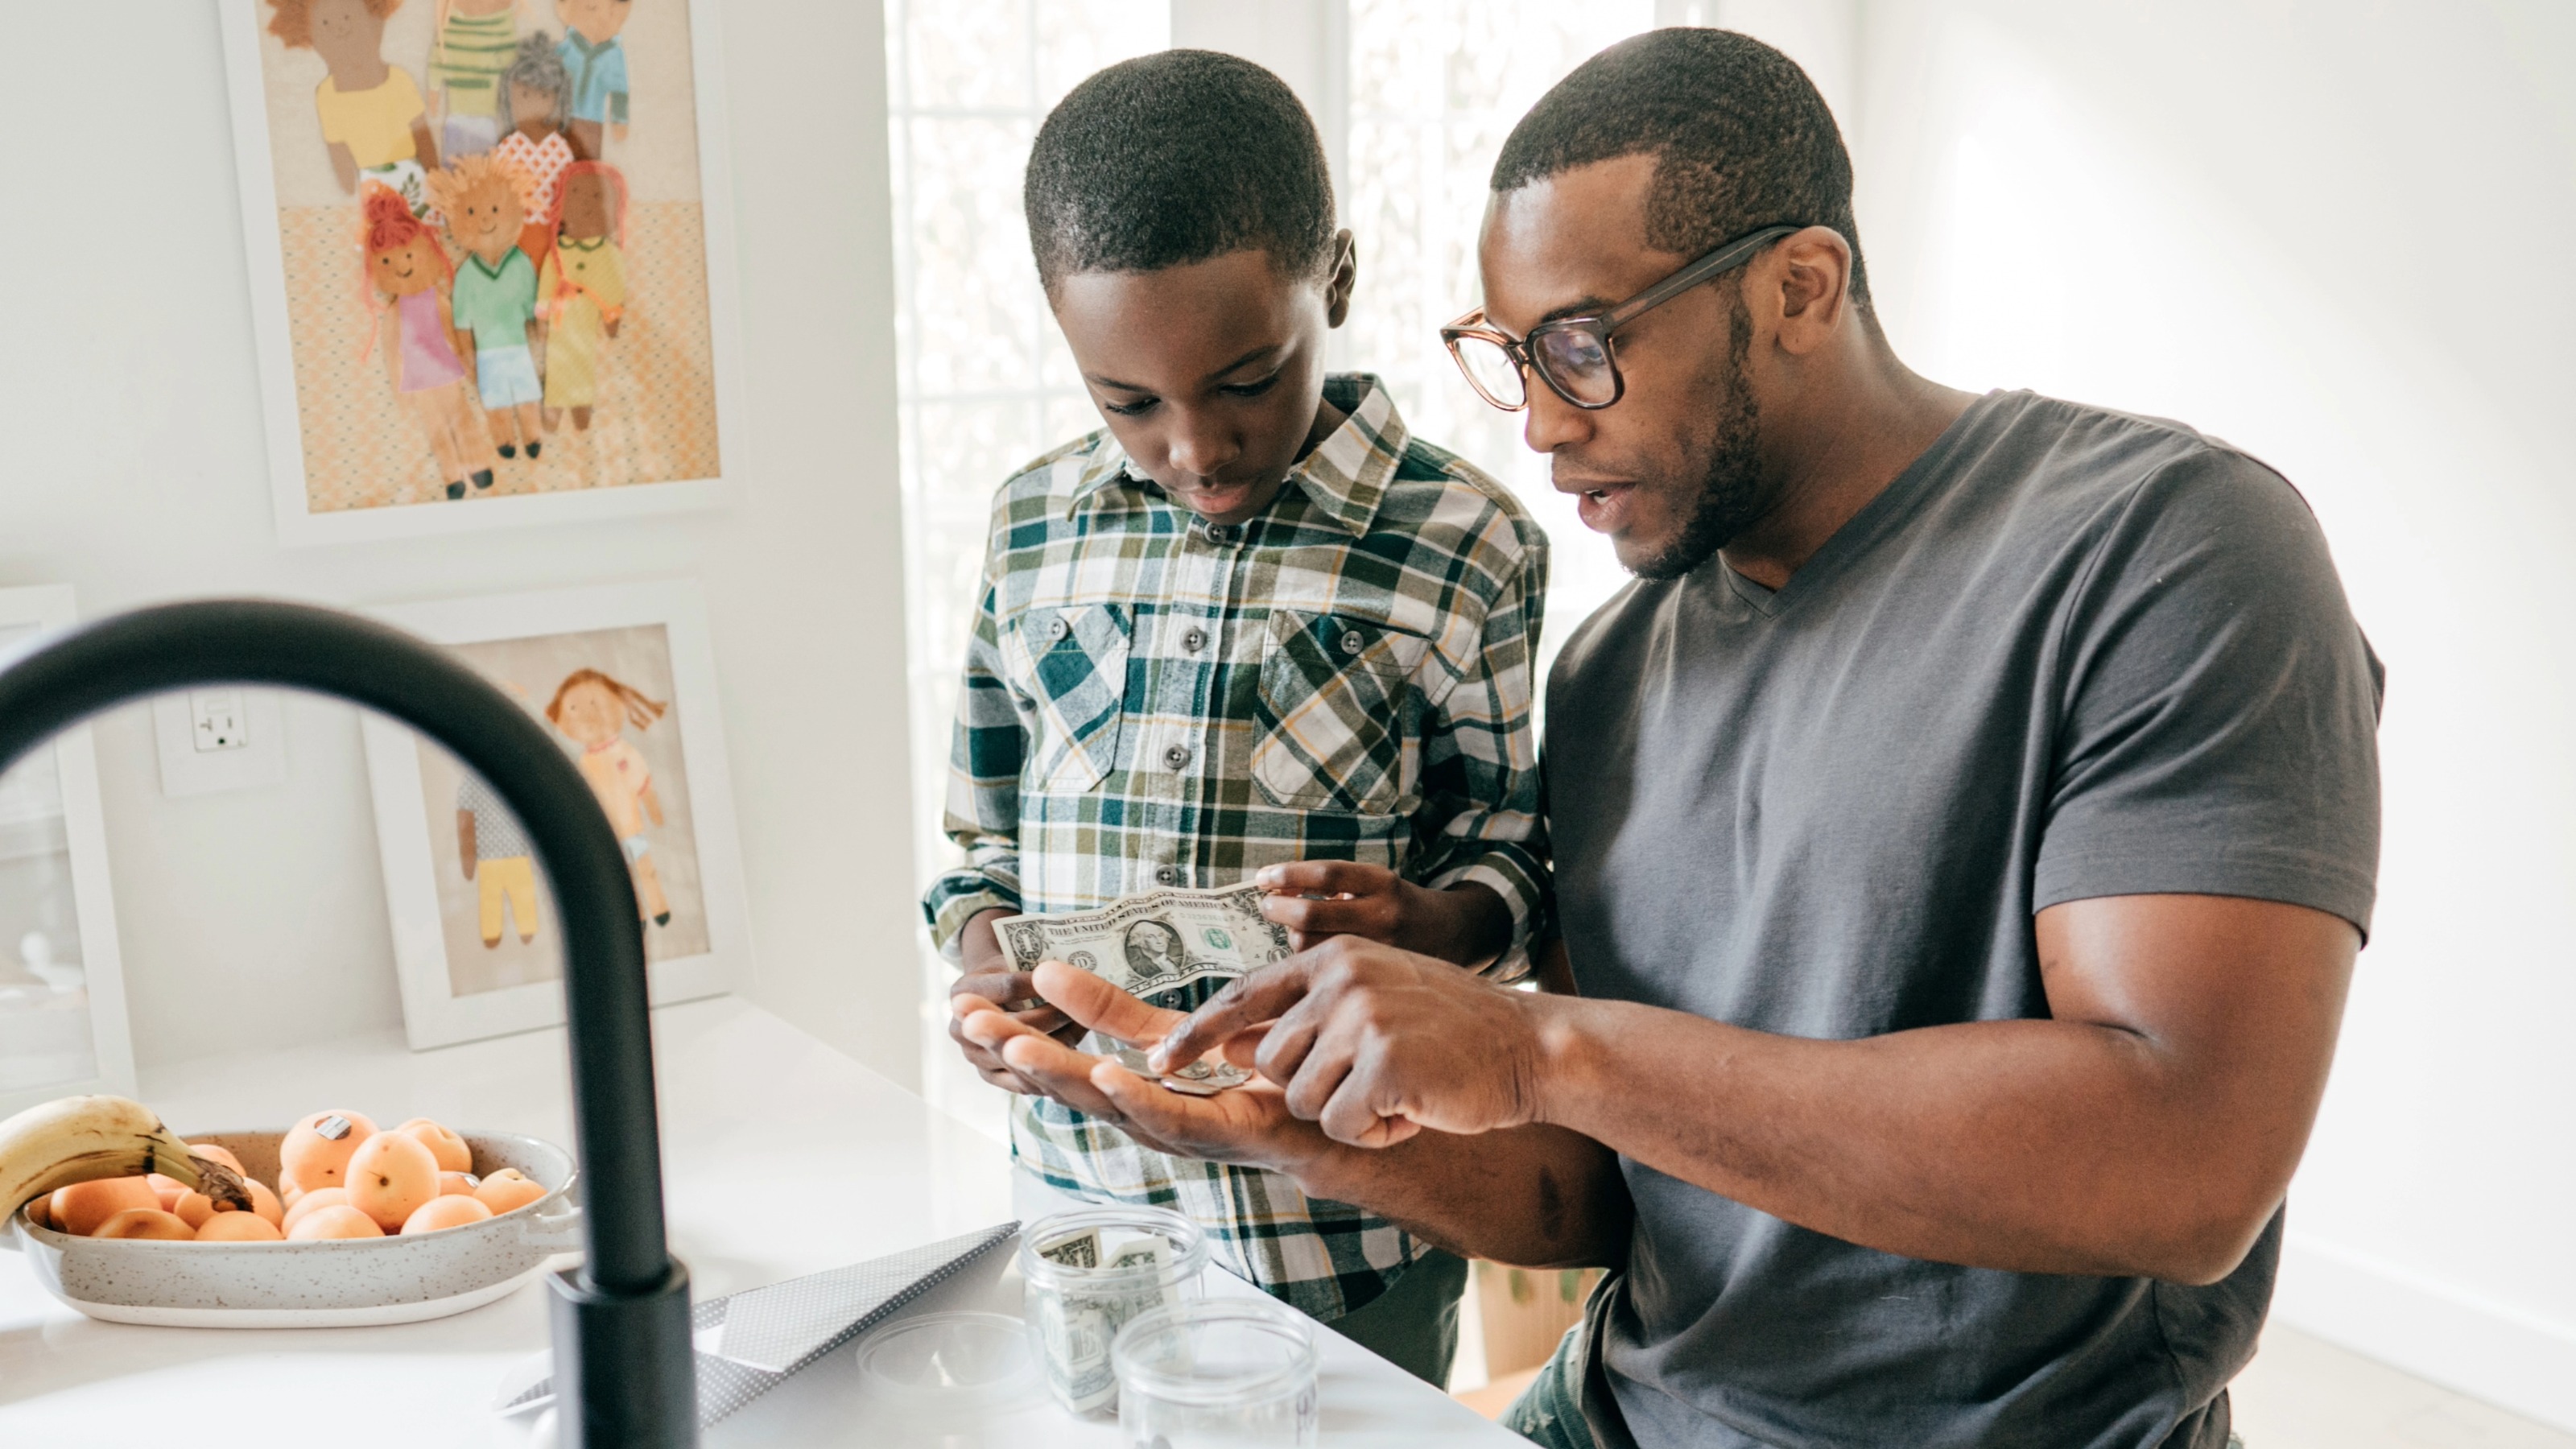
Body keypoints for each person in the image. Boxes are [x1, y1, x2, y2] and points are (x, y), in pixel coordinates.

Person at [955, 28, 2380, 1449]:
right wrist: (1285, 1120)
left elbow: (2184, 1168)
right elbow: (1595, 1194)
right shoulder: (1610, 672)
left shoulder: (2165, 548)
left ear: (1799, 289)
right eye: (1513, 359)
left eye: (1581, 348)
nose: (1541, 429)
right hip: (1620, 1415)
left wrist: (1534, 1045)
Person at [929, 50, 1551, 1389]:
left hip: (1342, 1233)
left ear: (1332, 279)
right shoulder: (1031, 529)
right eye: (1130, 403)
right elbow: (975, 840)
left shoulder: (1467, 545)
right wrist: (988, 963)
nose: (1197, 447)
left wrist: (1435, 925)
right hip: (1081, 1203)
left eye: (1248, 380)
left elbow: (1516, 862)